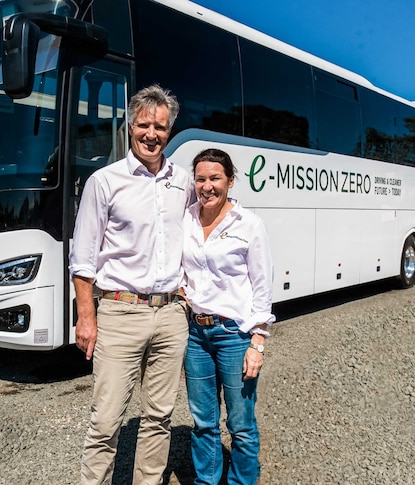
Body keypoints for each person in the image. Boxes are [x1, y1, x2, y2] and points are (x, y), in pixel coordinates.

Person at [69, 84, 195, 485]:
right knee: (106, 420)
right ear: (129, 126)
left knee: (159, 417)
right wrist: (86, 318)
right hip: (121, 312)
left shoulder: (184, 181)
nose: (151, 134)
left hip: (173, 313)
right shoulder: (104, 182)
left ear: (170, 130)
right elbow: (82, 260)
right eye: (144, 125)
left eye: (160, 127)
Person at [181, 148, 275, 485]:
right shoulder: (186, 218)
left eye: (215, 178)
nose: (207, 186)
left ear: (230, 181)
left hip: (235, 336)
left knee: (241, 425)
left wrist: (258, 342)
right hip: (196, 336)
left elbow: (263, 287)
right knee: (203, 422)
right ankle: (207, 481)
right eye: (201, 179)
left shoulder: (249, 225)